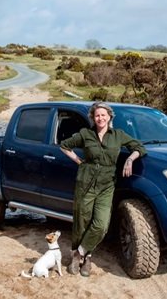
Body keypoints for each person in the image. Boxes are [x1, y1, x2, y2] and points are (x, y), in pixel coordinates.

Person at [59, 102, 146, 277]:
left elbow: (139, 148)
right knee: (81, 221)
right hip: (86, 183)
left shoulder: (118, 135)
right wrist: (78, 161)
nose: (100, 118)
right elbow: (64, 145)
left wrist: (129, 160)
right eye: (97, 115)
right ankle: (86, 258)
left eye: (103, 115)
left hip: (107, 185)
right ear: (93, 117)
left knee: (101, 224)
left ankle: (79, 253)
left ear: (109, 117)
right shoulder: (85, 134)